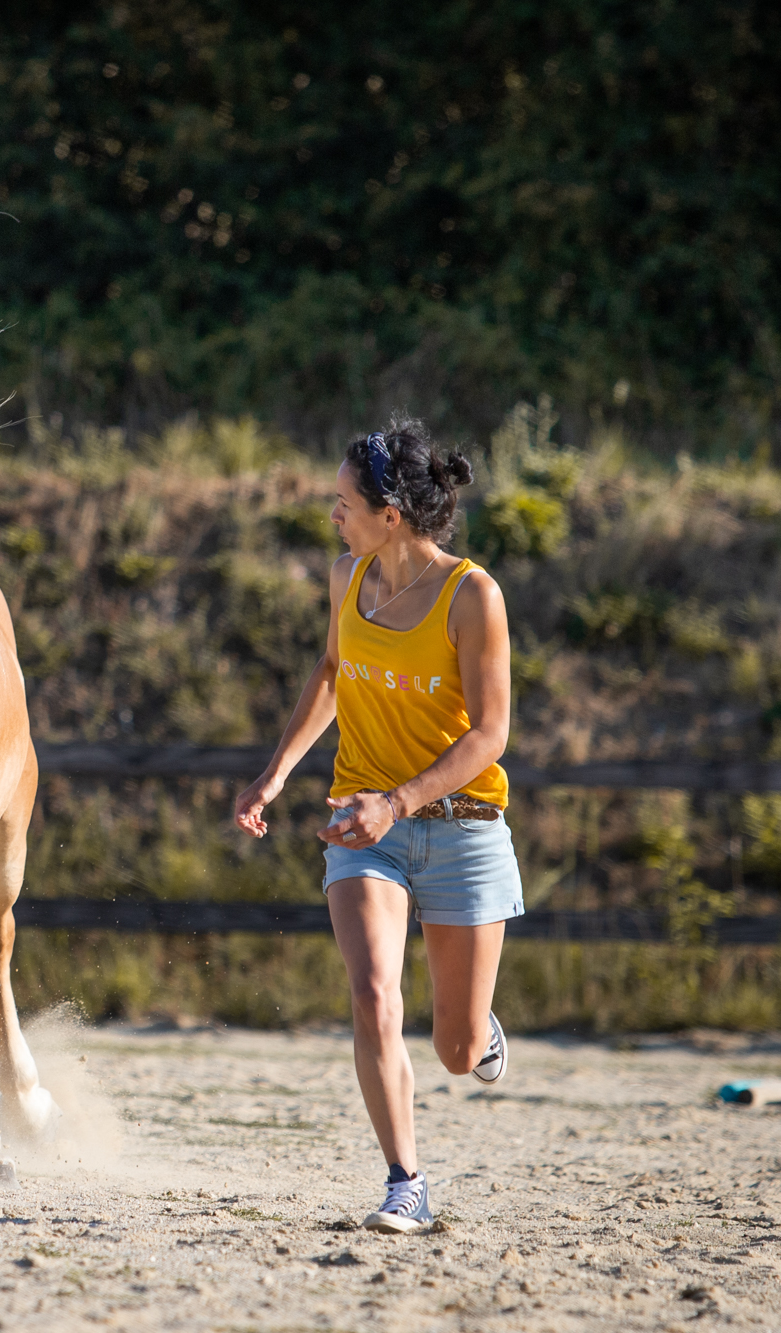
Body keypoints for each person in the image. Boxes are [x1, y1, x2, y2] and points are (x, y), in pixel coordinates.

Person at [233, 420, 521, 1236]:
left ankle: (479, 1029)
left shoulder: (474, 596)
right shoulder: (345, 577)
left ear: (390, 514)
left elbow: (489, 735)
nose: (334, 515)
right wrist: (278, 770)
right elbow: (332, 671)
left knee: (457, 1049)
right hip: (363, 827)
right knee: (373, 995)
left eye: (343, 503)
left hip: (463, 826)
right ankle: (407, 1181)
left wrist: (400, 799)